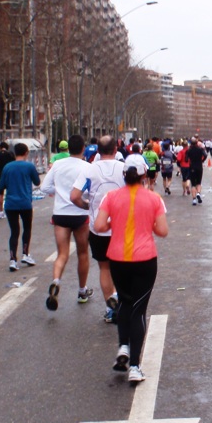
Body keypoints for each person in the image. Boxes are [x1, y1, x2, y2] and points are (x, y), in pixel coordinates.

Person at [93, 153, 168, 383]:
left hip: (117, 259)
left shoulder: (110, 197)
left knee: (125, 303)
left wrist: (113, 223)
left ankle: (123, 347)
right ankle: (135, 366)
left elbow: (98, 225)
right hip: (145, 260)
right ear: (145, 175)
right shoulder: (155, 199)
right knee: (139, 310)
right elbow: (163, 230)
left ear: (124, 175)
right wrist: (149, 226)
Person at [71, 135, 124, 323]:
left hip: (98, 227)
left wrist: (88, 207)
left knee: (104, 268)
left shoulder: (89, 170)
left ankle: (111, 308)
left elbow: (74, 196)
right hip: (121, 227)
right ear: (116, 149)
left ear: (98, 151)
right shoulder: (123, 167)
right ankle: (124, 305)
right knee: (122, 268)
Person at [40, 134, 94, 310]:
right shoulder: (88, 167)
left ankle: (56, 281)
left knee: (62, 254)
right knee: (83, 253)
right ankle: (82, 290)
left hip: (61, 214)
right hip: (80, 213)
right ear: (83, 148)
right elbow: (92, 191)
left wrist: (60, 191)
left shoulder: (57, 165)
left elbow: (44, 188)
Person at [0, 142, 41, 271]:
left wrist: (0, 202)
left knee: (14, 232)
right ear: (26, 153)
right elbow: (37, 182)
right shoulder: (29, 166)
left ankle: (12, 260)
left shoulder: (7, 167)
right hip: (25, 203)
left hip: (10, 204)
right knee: (27, 229)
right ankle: (25, 254)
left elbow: (1, 187)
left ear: (15, 153)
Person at [186, 137, 207, 205]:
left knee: (193, 184)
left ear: (191, 144)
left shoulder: (189, 150)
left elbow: (186, 159)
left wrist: (190, 160)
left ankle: (194, 199)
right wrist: (202, 160)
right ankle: (198, 193)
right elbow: (205, 155)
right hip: (199, 167)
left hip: (192, 167)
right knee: (199, 183)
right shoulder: (200, 149)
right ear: (197, 143)